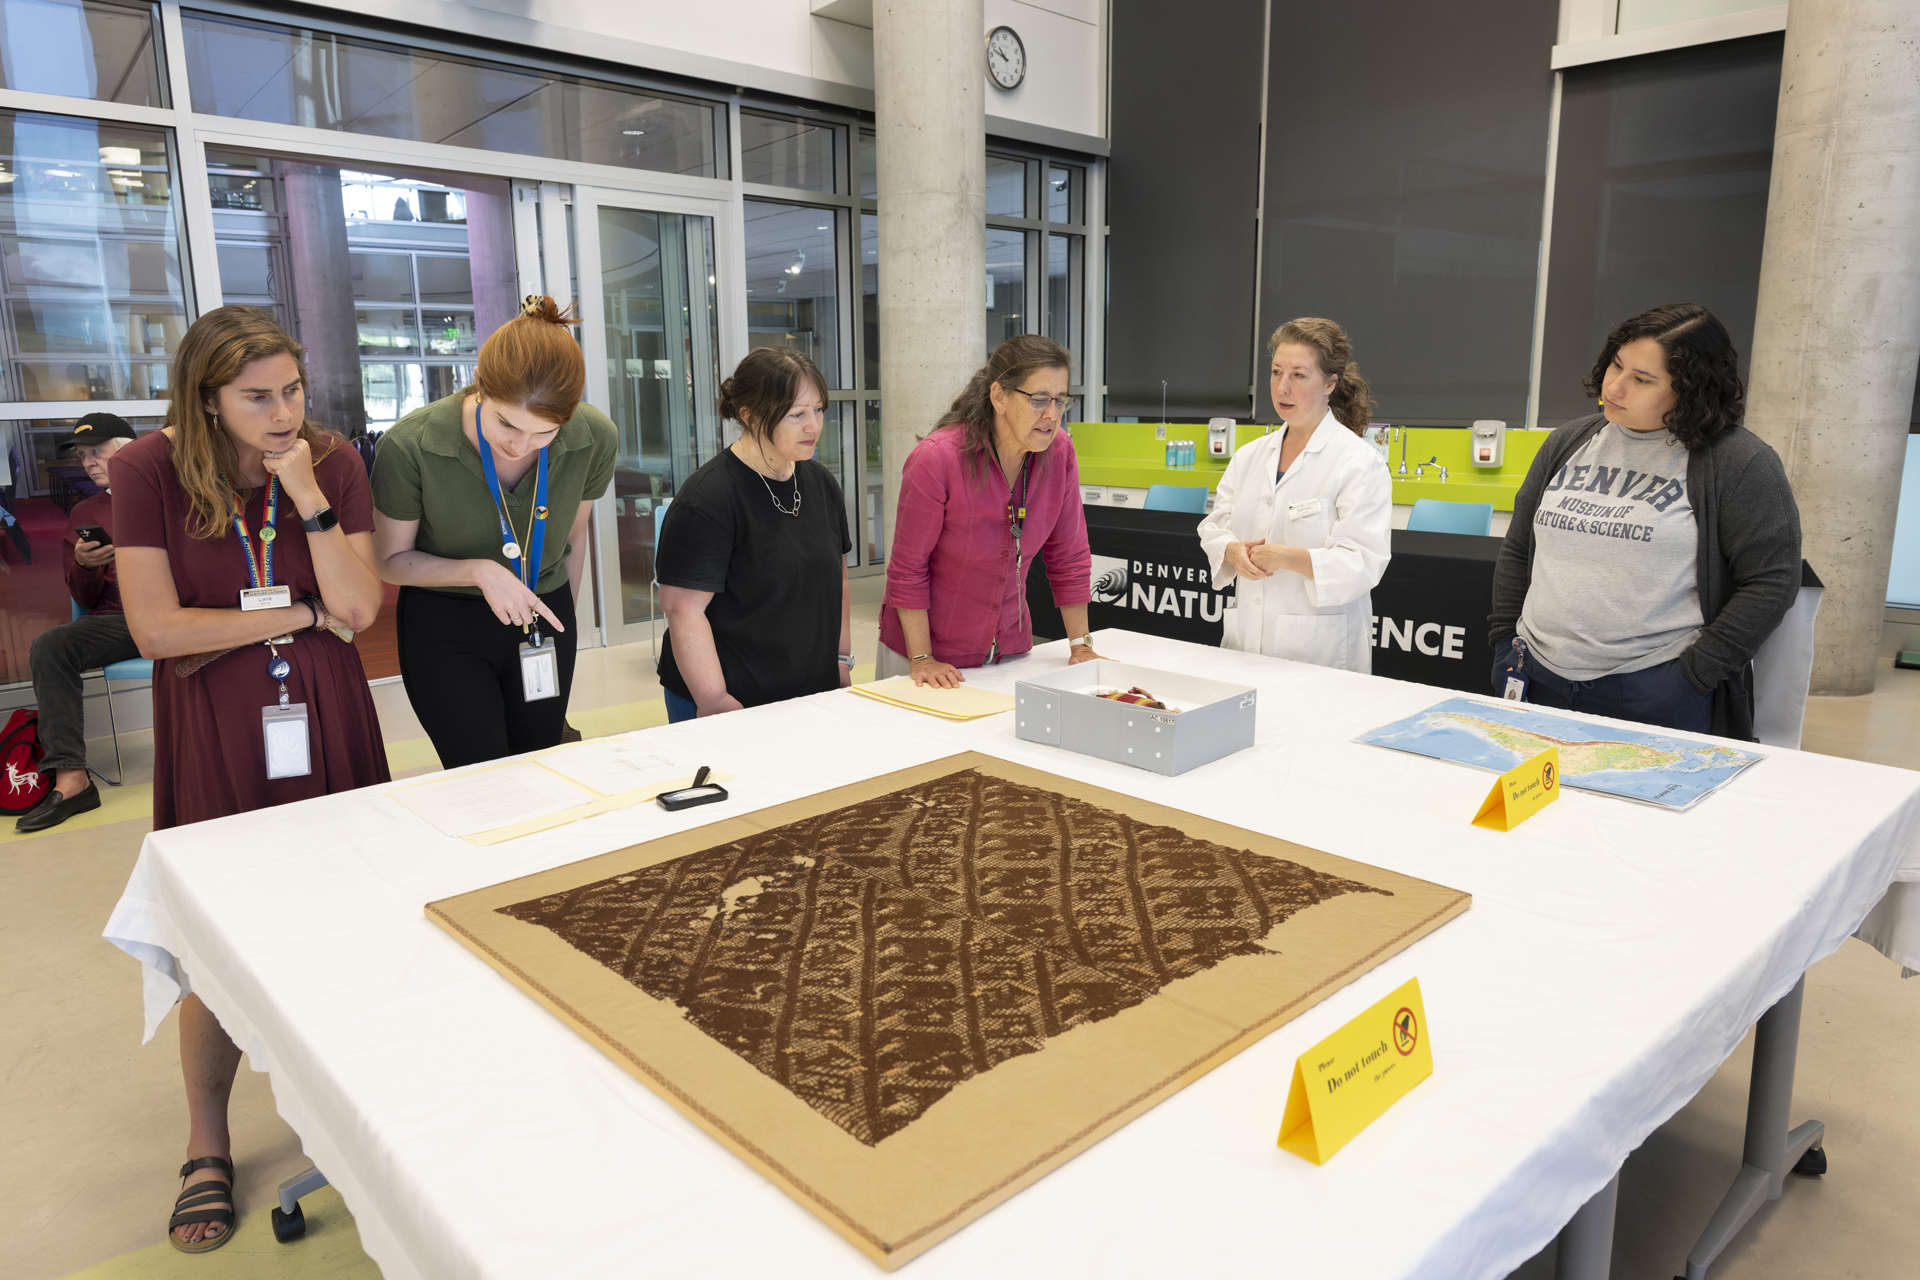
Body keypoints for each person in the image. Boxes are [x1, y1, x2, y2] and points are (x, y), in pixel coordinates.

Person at [111, 305, 389, 1252]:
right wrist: (298, 618)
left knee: (347, 910)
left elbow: (359, 607)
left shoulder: (330, 461)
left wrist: (306, 495)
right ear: (207, 399)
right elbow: (157, 630)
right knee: (217, 934)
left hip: (324, 707)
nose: (283, 414)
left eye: (293, 391)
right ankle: (207, 1142)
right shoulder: (148, 470)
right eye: (257, 397)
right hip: (217, 716)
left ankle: (353, 1108)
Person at [1489, 302, 1801, 736]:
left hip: (1652, 689)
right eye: (1616, 365)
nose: (1614, 387)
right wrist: (1505, 639)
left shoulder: (1738, 462)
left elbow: (1772, 580)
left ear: (1690, 389)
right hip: (1535, 674)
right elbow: (1520, 547)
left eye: (1642, 379)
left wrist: (1695, 674)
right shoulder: (1569, 441)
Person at [372, 295, 616, 767]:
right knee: (479, 773)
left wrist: (561, 622)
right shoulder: (411, 445)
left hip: (543, 611)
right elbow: (390, 561)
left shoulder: (594, 437)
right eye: (506, 423)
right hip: (448, 621)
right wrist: (480, 571)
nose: (519, 446)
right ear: (479, 383)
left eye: (544, 433)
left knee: (542, 763)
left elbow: (572, 539)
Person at [879, 335, 1099, 686]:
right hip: (924, 658)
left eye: (1060, 400)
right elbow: (908, 570)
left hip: (1009, 652)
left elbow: (1069, 555)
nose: (1051, 414)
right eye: (1039, 399)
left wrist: (1081, 646)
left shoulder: (1059, 452)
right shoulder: (937, 459)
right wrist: (922, 659)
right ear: (999, 396)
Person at [656, 348, 852, 720]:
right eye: (797, 414)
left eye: (818, 410)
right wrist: (714, 699)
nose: (813, 426)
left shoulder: (821, 483)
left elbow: (838, 580)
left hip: (809, 691)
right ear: (750, 415)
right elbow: (682, 609)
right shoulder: (708, 498)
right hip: (730, 699)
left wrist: (841, 660)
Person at [1197, 317, 1392, 672]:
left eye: (1299, 375)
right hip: (1245, 643)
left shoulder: (1358, 462)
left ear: (1330, 383)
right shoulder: (1250, 456)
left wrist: (1289, 558)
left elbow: (1364, 562)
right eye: (1276, 372)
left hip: (1320, 652)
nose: (1282, 388)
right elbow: (1214, 526)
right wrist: (1231, 550)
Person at [15, 414, 145, 832]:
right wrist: (86, 566)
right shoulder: (86, 512)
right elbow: (85, 599)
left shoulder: (174, 496)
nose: (89, 462)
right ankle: (72, 781)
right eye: (84, 456)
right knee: (51, 645)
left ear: (130, 449)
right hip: (121, 623)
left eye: (98, 451)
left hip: (184, 614)